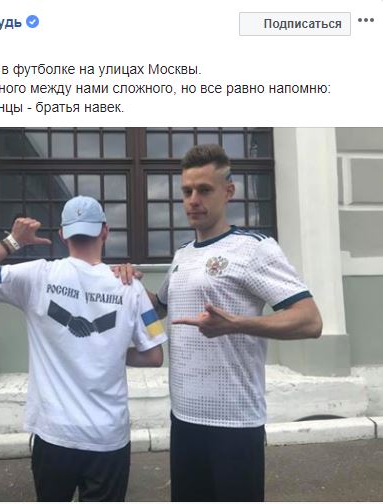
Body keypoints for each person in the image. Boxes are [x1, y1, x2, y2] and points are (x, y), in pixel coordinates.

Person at [117, 144, 323, 502]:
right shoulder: (182, 255)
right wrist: (126, 283)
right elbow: (160, 307)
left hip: (234, 423)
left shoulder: (254, 248)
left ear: (228, 192)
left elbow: (310, 320)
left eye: (204, 190)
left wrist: (237, 324)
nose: (193, 200)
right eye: (187, 191)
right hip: (184, 418)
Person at [0, 195, 167, 502]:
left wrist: (13, 241)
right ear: (105, 231)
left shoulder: (35, 275)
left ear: (63, 234)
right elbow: (154, 356)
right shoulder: (131, 286)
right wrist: (112, 350)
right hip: (107, 437)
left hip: (54, 434)